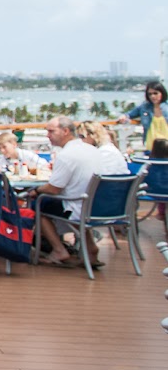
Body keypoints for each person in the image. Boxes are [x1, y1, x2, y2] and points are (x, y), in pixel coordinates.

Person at [26, 116, 104, 268]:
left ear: (66, 131)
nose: (48, 135)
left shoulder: (66, 155)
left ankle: (59, 250)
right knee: (67, 202)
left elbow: (53, 188)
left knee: (38, 205)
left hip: (77, 207)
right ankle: (91, 248)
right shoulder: (92, 150)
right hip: (96, 205)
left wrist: (36, 190)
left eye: (51, 131)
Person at [118, 80, 168, 152]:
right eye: (150, 94)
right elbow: (129, 114)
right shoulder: (144, 107)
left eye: (155, 93)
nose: (153, 96)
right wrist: (123, 117)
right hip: (150, 147)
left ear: (162, 93)